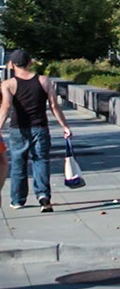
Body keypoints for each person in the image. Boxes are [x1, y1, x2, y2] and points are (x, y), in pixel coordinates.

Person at [1, 51, 73, 213]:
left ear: (12, 65)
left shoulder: (8, 84)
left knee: (18, 163)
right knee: (41, 161)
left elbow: (5, 108)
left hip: (17, 129)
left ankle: (18, 200)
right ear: (30, 63)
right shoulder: (43, 81)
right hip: (40, 128)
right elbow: (54, 106)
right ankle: (43, 196)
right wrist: (64, 126)